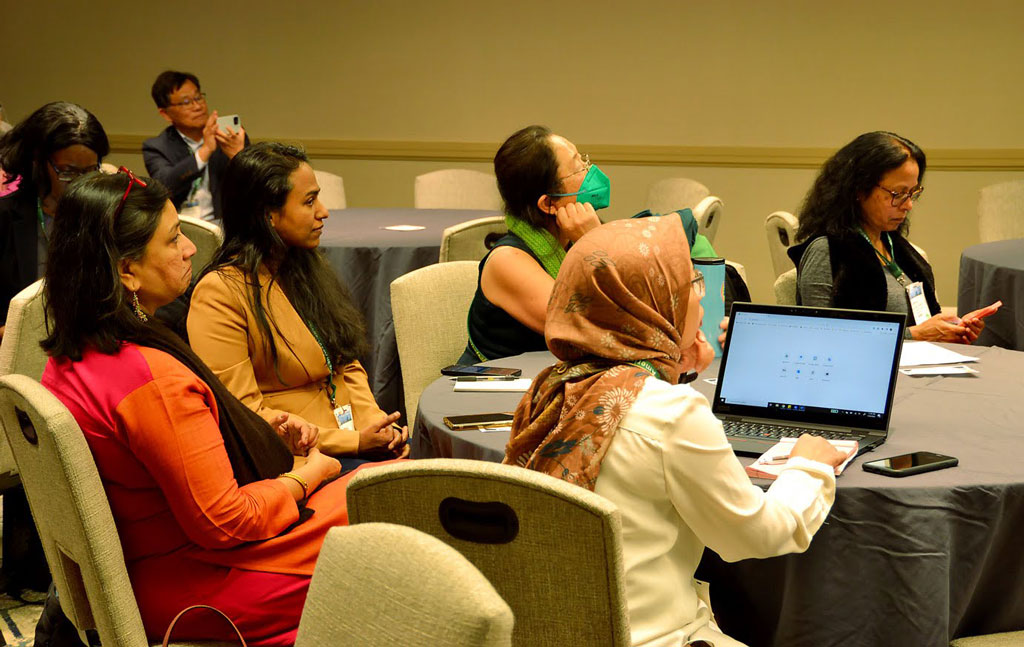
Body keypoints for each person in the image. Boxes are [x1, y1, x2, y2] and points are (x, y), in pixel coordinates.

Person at [40, 169, 371, 645]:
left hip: (146, 567)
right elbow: (227, 521)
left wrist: (253, 430)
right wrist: (309, 474)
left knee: (375, 490)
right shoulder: (152, 380)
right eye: (174, 239)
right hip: (200, 585)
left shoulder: (71, 358)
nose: (191, 248)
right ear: (126, 270)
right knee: (391, 512)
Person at [504, 217, 846, 647]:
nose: (701, 299)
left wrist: (670, 370)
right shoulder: (672, 413)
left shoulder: (552, 387)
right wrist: (808, 469)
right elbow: (756, 535)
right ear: (649, 304)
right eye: (688, 285)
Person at [187, 143, 409, 470]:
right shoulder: (220, 293)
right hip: (297, 460)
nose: (324, 211)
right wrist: (355, 442)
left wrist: (375, 424)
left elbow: (346, 364)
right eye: (309, 201)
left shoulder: (304, 266)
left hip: (351, 441)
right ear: (268, 215)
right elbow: (247, 417)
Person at [789, 131, 984, 343]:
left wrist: (950, 329)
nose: (908, 205)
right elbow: (819, 336)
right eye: (898, 194)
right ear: (859, 189)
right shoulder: (827, 250)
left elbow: (924, 321)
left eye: (913, 193)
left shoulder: (898, 247)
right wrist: (915, 335)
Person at [460, 124, 604, 363]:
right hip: (495, 392)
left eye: (584, 161)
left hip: (552, 383)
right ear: (548, 203)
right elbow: (588, 331)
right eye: (578, 169)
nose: (590, 174)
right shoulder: (507, 261)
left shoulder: (570, 240)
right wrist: (595, 243)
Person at [0, 101, 109, 338]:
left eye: (90, 171)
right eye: (68, 172)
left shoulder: (105, 214)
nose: (80, 183)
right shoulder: (6, 217)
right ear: (38, 162)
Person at [143, 70, 249, 223]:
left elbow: (255, 187)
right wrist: (205, 151)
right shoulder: (157, 147)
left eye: (198, 98)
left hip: (226, 225)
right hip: (181, 227)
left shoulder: (230, 136)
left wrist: (237, 156)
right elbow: (164, 186)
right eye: (186, 102)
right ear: (165, 114)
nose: (197, 106)